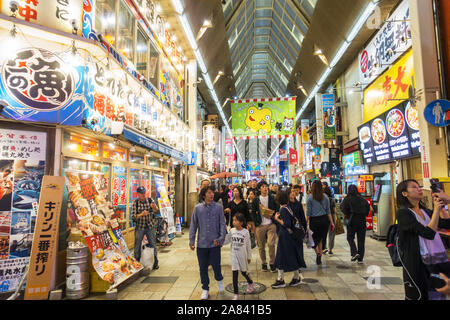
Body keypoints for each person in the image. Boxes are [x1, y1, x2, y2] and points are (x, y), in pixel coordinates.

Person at [395, 179, 450, 300]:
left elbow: (447, 223)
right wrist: (436, 210)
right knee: (419, 295)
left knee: (438, 295)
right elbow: (428, 233)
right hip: (418, 264)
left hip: (437, 262)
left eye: (419, 186)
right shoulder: (403, 213)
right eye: (414, 187)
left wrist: (443, 205)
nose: (419, 189)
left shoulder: (425, 212)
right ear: (405, 193)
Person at [189, 186, 227, 300]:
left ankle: (219, 280)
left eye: (213, 193)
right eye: (209, 193)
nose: (212, 195)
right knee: (203, 268)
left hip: (215, 244)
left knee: (216, 266)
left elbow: (222, 224)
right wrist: (191, 240)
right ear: (204, 195)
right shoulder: (197, 208)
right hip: (202, 244)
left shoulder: (219, 207)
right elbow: (193, 225)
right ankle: (205, 289)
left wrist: (221, 239)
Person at [272, 189, 307, 288]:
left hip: (286, 237)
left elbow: (287, 224)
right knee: (292, 256)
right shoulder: (287, 207)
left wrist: (277, 219)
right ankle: (294, 277)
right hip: (291, 236)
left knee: (280, 256)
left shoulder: (284, 209)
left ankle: (281, 279)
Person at [251, 180, 280, 272]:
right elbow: (253, 212)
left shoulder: (272, 198)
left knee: (271, 244)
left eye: (266, 186)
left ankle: (272, 263)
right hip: (260, 225)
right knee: (261, 245)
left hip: (271, 224)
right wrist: (256, 223)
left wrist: (274, 217)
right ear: (259, 189)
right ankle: (264, 262)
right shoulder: (256, 200)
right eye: (263, 186)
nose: (265, 188)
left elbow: (277, 209)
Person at [306, 180, 334, 265]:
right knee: (321, 239)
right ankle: (320, 256)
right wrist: (332, 222)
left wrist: (305, 222)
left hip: (314, 221)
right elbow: (328, 211)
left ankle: (318, 253)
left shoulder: (310, 197)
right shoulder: (325, 197)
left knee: (313, 240)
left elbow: (308, 213)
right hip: (324, 220)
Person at [131, 186, 159, 270]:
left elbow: (157, 211)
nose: (143, 195)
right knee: (137, 246)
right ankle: (137, 265)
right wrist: (141, 214)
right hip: (140, 227)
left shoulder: (150, 200)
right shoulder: (135, 203)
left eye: (144, 193)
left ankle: (155, 263)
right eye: (141, 193)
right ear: (138, 194)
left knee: (153, 244)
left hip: (150, 226)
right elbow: (133, 217)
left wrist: (154, 207)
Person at [340, 185, 370, 264]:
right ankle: (360, 258)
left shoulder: (347, 199)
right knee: (361, 240)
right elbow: (368, 207)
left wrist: (347, 214)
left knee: (350, 237)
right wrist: (365, 214)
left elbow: (342, 208)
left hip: (352, 220)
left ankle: (354, 252)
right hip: (362, 220)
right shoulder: (362, 199)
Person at [229, 213, 255, 300]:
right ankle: (236, 294)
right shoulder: (232, 231)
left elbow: (248, 245)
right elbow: (227, 240)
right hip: (234, 255)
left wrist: (249, 257)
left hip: (242, 255)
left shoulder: (246, 232)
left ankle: (250, 282)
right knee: (234, 274)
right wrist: (218, 242)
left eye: (235, 220)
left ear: (241, 222)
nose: (233, 222)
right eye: (233, 220)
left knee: (243, 272)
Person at [323, 186, 337, 255]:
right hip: (332, 218)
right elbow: (334, 210)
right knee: (331, 234)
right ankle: (330, 249)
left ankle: (324, 247)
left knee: (324, 234)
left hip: (324, 218)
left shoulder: (322, 199)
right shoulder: (332, 200)